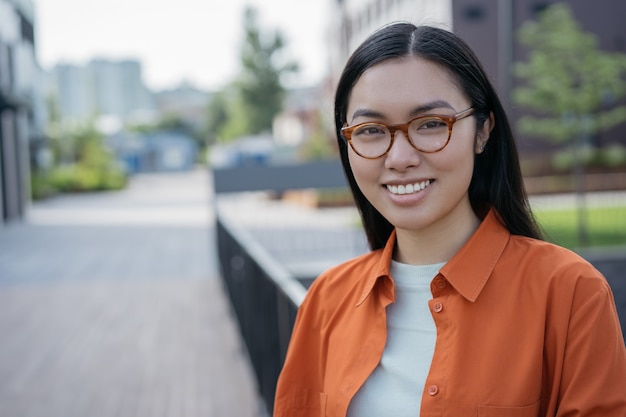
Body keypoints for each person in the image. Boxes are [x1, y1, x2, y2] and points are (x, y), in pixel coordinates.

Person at [273, 23, 626, 417]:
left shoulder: (570, 293)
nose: (400, 158)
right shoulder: (326, 301)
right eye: (371, 130)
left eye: (430, 124)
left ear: (483, 131)